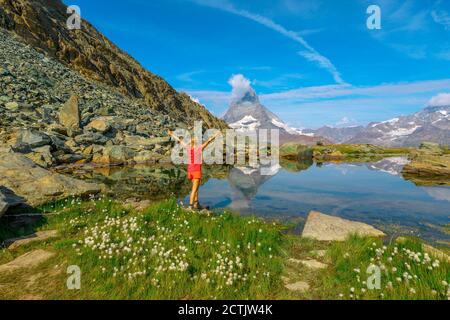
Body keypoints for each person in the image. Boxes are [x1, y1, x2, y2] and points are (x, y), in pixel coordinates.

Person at [168, 130, 221, 210]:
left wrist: (172, 134)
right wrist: (216, 134)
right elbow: (209, 141)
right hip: (196, 171)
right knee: (194, 190)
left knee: (196, 188)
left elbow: (179, 140)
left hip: (190, 171)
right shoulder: (199, 148)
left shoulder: (188, 148)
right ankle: (190, 206)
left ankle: (196, 204)